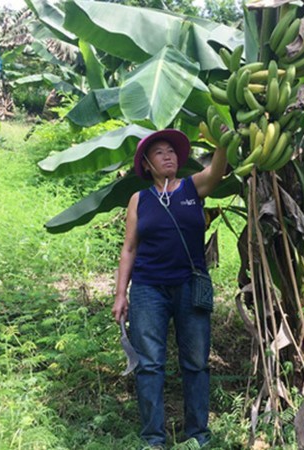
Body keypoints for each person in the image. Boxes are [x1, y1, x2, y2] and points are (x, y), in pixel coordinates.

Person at [112, 129, 227, 449]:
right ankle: (153, 438)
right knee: (149, 365)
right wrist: (121, 294)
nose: (169, 156)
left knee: (196, 362)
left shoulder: (193, 188)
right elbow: (129, 249)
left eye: (172, 152)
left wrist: (224, 141)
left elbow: (217, 170)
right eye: (160, 152)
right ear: (146, 164)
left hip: (190, 287)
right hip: (148, 289)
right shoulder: (139, 199)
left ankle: (198, 436)